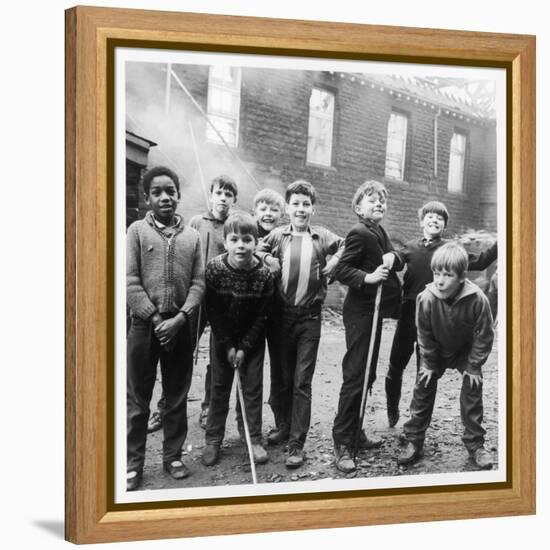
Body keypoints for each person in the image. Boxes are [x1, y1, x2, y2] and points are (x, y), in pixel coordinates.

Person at [126, 166, 204, 491]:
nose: (164, 197)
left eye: (170, 191)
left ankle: (173, 456)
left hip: (181, 328)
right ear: (146, 198)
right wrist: (156, 318)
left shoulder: (192, 237)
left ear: (178, 195)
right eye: (157, 192)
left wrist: (181, 318)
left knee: (175, 396)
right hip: (145, 329)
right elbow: (129, 281)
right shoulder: (136, 232)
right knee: (138, 398)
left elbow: (199, 283)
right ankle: (133, 463)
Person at [385, 201, 497, 428]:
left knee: (425, 366)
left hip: (435, 314)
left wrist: (501, 243)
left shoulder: (450, 251)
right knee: (396, 363)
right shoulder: (410, 247)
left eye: (439, 218)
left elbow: (482, 260)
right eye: (430, 216)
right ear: (421, 222)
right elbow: (396, 261)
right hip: (409, 312)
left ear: (444, 225)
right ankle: (392, 406)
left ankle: (416, 417)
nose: (434, 220)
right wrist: (389, 258)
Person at [260, 180, 344, 468]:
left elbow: (347, 246)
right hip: (281, 317)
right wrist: (267, 259)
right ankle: (283, 426)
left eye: (306, 204)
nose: (300, 208)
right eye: (295, 203)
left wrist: (334, 263)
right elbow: (254, 249)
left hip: (310, 318)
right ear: (287, 208)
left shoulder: (321, 236)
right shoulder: (276, 235)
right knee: (282, 379)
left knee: (301, 382)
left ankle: (297, 443)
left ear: (313, 208)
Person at [147, 174, 238, 433]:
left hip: (223, 300)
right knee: (180, 352)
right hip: (195, 296)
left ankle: (208, 407)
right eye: (219, 193)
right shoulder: (197, 222)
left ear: (234, 200)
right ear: (211, 195)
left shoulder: (235, 225)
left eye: (229, 195)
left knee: (218, 356)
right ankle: (165, 407)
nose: (223, 198)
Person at [397, 242, 495, 470]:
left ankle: (475, 444)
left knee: (473, 389)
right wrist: (429, 363)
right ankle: (414, 439)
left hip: (465, 351)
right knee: (423, 387)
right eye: (436, 273)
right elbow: (424, 333)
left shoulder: (478, 299)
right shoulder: (426, 298)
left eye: (447, 275)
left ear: (461, 276)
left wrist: (474, 365)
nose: (440, 280)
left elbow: (485, 335)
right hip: (436, 350)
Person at [331, 180, 404, 474]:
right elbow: (340, 269)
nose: (379, 204)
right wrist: (368, 278)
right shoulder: (358, 232)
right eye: (372, 200)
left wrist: (393, 257)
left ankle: (357, 429)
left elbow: (394, 259)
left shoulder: (379, 231)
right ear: (358, 207)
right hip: (360, 314)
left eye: (382, 201)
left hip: (375, 315)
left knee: (368, 373)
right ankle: (342, 441)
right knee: (355, 374)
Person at [201, 213, 274, 466]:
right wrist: (229, 345)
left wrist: (244, 347)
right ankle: (213, 439)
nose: (240, 245)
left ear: (256, 242)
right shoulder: (214, 269)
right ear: (225, 242)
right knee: (219, 388)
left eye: (247, 239)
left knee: (252, 389)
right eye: (234, 239)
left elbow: (264, 316)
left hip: (252, 341)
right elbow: (213, 311)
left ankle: (252, 437)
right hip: (223, 339)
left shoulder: (264, 275)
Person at [251, 188, 286, 433]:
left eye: (274, 210)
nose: (268, 214)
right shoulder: (246, 233)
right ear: (255, 211)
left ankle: (280, 420)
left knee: (279, 367)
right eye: (263, 209)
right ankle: (210, 407)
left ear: (281, 214)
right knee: (247, 367)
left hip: (275, 312)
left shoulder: (283, 236)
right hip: (250, 313)